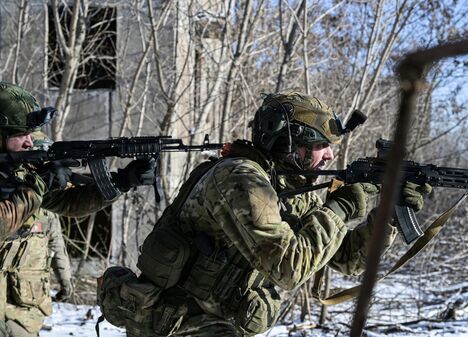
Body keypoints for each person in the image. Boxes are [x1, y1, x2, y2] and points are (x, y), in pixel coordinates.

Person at [100, 91, 431, 337]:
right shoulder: (240, 179)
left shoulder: (285, 187)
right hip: (180, 327)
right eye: (320, 144)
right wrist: (344, 205)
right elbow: (288, 268)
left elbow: (346, 258)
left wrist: (388, 215)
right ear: (288, 142)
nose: (330, 155)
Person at [0, 82, 155, 337]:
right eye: (20, 134)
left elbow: (68, 203)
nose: (29, 142)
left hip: (20, 318)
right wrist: (39, 184)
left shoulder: (23, 160)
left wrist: (124, 181)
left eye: (31, 133)